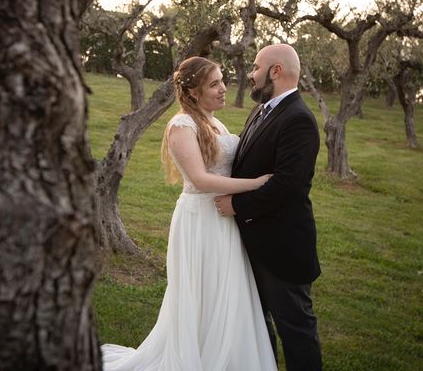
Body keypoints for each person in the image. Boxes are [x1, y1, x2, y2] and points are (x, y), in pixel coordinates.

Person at [101, 56, 277, 371]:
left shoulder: (215, 121)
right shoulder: (182, 125)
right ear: (194, 92)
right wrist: (256, 185)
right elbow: (200, 179)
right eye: (214, 84)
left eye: (223, 80)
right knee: (201, 291)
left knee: (225, 289)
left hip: (223, 219)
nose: (224, 89)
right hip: (199, 219)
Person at [214, 43, 322, 371]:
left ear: (275, 71)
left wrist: (236, 204)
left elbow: (287, 186)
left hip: (282, 247)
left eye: (256, 68)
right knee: (258, 327)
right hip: (252, 243)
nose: (250, 74)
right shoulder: (261, 110)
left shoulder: (299, 119)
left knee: (296, 329)